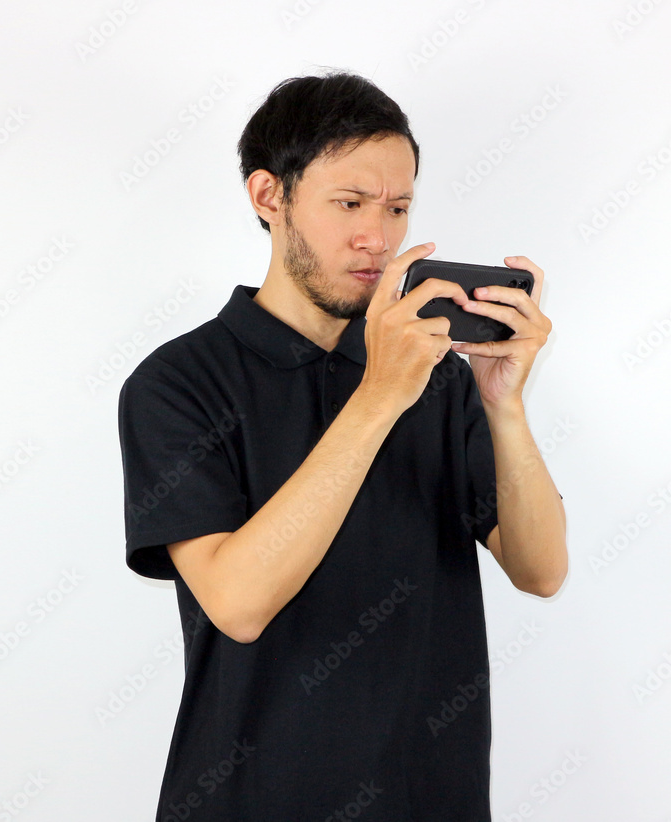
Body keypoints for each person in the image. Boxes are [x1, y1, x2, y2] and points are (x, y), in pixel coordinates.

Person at [117, 70, 567, 821]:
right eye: (349, 203)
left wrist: (503, 403)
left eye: (398, 208)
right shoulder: (178, 382)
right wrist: (380, 394)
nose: (378, 238)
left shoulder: (438, 375)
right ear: (269, 196)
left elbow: (542, 569)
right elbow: (238, 604)